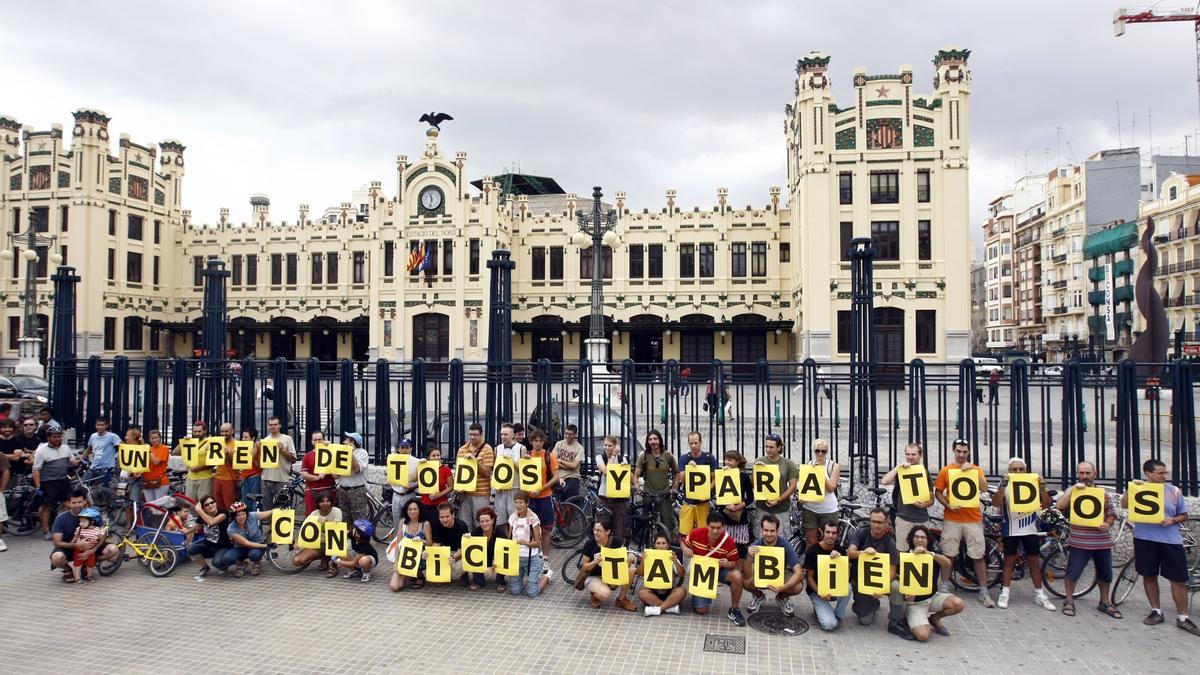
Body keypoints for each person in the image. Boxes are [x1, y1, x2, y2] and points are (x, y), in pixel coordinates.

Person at [1122, 459, 1199, 634]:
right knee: (1149, 575)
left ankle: (1183, 617)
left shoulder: (1174, 491)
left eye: (1165, 473)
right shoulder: (1140, 488)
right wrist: (1131, 488)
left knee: (1178, 579)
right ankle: (1156, 611)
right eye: (1160, 473)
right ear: (1149, 474)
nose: (1164, 476)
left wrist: (1172, 520)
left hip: (1170, 540)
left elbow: (1184, 515)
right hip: (1145, 538)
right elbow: (1124, 505)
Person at [1055, 460, 1120, 619]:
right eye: (1081, 473)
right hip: (1079, 540)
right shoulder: (1074, 491)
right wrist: (1072, 491)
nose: (1084, 476)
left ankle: (1104, 601)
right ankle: (1069, 600)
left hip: (1101, 540)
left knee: (1105, 573)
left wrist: (1107, 524)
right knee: (1073, 571)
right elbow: (1060, 505)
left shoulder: (1103, 494)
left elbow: (1111, 514)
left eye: (1087, 473)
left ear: (1094, 474)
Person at [934, 439, 994, 607]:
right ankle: (944, 588)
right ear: (954, 451)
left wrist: (973, 469)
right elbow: (937, 491)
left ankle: (984, 590)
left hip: (973, 519)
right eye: (958, 451)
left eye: (964, 452)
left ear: (968, 452)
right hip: (952, 519)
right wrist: (947, 504)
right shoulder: (946, 470)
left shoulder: (976, 469)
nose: (961, 454)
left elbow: (984, 488)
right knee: (948, 554)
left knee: (978, 555)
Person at [992, 457, 1056, 611]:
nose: (1018, 472)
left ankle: (1039, 594)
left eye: (1021, 469)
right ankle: (1005, 593)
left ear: (1026, 471)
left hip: (1029, 528)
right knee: (1009, 561)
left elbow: (1046, 504)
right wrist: (1003, 485)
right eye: (1014, 469)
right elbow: (995, 503)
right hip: (1011, 528)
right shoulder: (1006, 485)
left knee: (1034, 562)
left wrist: (1042, 487)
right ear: (1009, 471)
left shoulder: (1032, 483)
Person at [888, 524, 965, 641]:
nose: (919, 539)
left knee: (958, 604)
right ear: (911, 539)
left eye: (923, 537)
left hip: (933, 597)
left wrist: (931, 554)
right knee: (923, 636)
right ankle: (913, 619)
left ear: (928, 540)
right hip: (915, 603)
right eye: (916, 537)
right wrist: (905, 595)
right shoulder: (904, 556)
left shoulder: (932, 555)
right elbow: (898, 581)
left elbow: (947, 563)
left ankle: (934, 618)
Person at [682, 511, 747, 626]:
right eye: (712, 527)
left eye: (718, 528)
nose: (715, 531)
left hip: (719, 571)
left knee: (737, 576)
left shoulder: (728, 541)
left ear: (724, 527)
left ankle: (734, 609)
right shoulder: (696, 533)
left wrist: (727, 564)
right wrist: (685, 549)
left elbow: (734, 562)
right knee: (701, 610)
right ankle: (698, 596)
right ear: (707, 526)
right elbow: (683, 542)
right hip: (701, 574)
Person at [48, 487, 118, 580]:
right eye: (74, 503)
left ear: (85, 501)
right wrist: (77, 544)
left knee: (113, 549)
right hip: (70, 547)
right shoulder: (60, 518)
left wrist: (92, 551)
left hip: (91, 546)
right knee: (56, 558)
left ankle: (87, 564)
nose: (77, 505)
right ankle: (69, 570)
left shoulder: (94, 515)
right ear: (68, 504)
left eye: (79, 502)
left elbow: (102, 535)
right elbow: (57, 542)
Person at [846, 507, 900, 625]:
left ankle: (896, 620)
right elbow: (849, 553)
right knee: (866, 621)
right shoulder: (860, 533)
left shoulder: (890, 541)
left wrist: (882, 588)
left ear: (886, 523)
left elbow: (892, 570)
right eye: (873, 521)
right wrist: (863, 553)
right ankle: (866, 603)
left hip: (879, 580)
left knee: (896, 586)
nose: (876, 525)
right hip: (860, 580)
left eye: (880, 522)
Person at [745, 514, 805, 616]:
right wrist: (750, 557)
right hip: (761, 574)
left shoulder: (785, 545)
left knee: (798, 586)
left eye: (772, 531)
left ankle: (782, 597)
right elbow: (746, 572)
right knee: (743, 579)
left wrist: (783, 587)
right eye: (766, 530)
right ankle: (758, 596)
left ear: (777, 531)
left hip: (780, 574)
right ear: (762, 530)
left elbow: (799, 572)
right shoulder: (756, 544)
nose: (768, 534)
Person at [880, 442, 934, 551]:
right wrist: (898, 467)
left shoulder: (925, 472)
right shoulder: (901, 471)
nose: (910, 457)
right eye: (907, 454)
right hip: (903, 518)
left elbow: (931, 498)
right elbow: (884, 481)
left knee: (922, 551)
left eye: (913, 454)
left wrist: (925, 504)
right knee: (902, 551)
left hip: (921, 518)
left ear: (920, 455)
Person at [34, 424, 81, 540]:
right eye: (54, 437)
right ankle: (45, 531)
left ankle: (59, 525)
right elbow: (36, 470)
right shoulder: (42, 452)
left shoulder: (66, 448)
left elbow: (72, 461)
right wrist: (38, 487)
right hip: (49, 482)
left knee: (68, 504)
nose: (57, 439)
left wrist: (79, 462)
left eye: (59, 436)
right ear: (49, 437)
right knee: (47, 507)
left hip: (63, 480)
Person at [578, 520, 637, 611]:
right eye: (594, 530)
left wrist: (629, 560)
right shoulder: (590, 544)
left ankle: (621, 599)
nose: (595, 533)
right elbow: (584, 566)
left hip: (611, 574)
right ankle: (595, 595)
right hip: (594, 576)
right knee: (605, 594)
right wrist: (594, 562)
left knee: (632, 569)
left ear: (608, 532)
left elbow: (623, 564)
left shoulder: (617, 542)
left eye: (599, 530)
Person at [804, 521, 850, 631]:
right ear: (822, 533)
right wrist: (820, 592)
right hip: (817, 590)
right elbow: (809, 577)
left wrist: (841, 561)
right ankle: (821, 609)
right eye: (828, 532)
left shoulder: (841, 550)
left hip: (834, 587)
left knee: (848, 588)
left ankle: (838, 615)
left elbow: (846, 575)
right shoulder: (812, 550)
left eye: (834, 533)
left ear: (838, 534)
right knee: (829, 625)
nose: (830, 535)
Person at [753, 433, 798, 544]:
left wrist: (778, 500)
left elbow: (793, 486)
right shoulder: (760, 461)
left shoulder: (788, 464)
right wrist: (756, 470)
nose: (768, 450)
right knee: (761, 538)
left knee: (781, 539)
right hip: (762, 507)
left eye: (771, 447)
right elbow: (754, 485)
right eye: (766, 447)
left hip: (781, 508)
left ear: (779, 448)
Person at [523, 429, 560, 563]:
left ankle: (545, 558)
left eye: (540, 441)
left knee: (546, 529)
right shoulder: (527, 455)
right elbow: (518, 471)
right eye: (535, 441)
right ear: (531, 442)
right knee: (530, 529)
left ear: (543, 442)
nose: (538, 444)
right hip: (530, 498)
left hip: (544, 496)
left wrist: (542, 488)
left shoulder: (548, 456)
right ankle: (532, 557)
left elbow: (556, 477)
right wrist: (523, 460)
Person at [507, 492, 551, 597]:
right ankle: (530, 580)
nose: (518, 505)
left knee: (532, 593)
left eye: (521, 502)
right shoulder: (512, 518)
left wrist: (526, 542)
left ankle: (547, 575)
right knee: (515, 591)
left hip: (532, 557)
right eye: (516, 502)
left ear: (527, 503)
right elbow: (510, 539)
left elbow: (537, 543)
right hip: (517, 557)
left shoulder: (533, 519)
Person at [634, 429, 676, 537]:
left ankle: (665, 544)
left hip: (664, 494)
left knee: (667, 523)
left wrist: (674, 488)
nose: (653, 441)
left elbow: (678, 473)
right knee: (646, 522)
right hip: (648, 494)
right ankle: (645, 542)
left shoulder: (668, 456)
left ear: (660, 440)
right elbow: (636, 474)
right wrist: (637, 486)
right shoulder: (644, 456)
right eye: (650, 439)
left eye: (655, 439)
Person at [675, 431, 717, 537]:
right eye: (691, 443)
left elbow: (715, 479)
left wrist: (706, 492)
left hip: (703, 503)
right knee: (684, 533)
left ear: (700, 442)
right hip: (688, 502)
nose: (693, 446)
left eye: (696, 443)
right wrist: (688, 468)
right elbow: (682, 480)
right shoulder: (684, 458)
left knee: (703, 533)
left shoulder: (708, 458)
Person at [801, 438, 840, 548]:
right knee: (810, 542)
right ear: (814, 451)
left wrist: (820, 473)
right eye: (818, 451)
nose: (820, 454)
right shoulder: (809, 464)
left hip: (828, 509)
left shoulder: (833, 466)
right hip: (810, 508)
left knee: (828, 542)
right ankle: (811, 564)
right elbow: (806, 487)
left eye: (824, 451)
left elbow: (832, 487)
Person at [635, 533, 687, 616]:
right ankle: (670, 607)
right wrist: (643, 561)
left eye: (663, 543)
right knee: (642, 593)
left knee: (682, 591)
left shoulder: (672, 556)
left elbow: (681, 574)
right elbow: (640, 573)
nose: (661, 546)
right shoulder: (648, 556)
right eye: (658, 543)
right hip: (653, 591)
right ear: (654, 545)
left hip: (669, 591)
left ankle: (658, 609)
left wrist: (676, 562)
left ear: (668, 545)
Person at [388, 497, 432, 592]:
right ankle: (409, 575)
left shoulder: (425, 524)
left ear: (420, 510)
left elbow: (430, 543)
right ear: (406, 511)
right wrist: (396, 562)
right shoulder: (403, 523)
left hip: (420, 557)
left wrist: (422, 540)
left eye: (415, 509)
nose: (412, 512)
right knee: (394, 587)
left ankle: (419, 576)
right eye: (410, 509)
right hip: (405, 559)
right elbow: (398, 544)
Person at [718, 450, 756, 560]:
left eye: (730, 460)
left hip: (738, 517)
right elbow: (717, 493)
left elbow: (750, 497)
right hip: (724, 515)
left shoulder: (744, 477)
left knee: (740, 549)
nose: (727, 462)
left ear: (737, 462)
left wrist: (738, 506)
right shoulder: (722, 474)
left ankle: (740, 571)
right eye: (726, 459)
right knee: (724, 547)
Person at [291, 491, 343, 571]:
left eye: (327, 501)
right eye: (322, 501)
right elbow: (306, 529)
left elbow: (336, 529)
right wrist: (298, 543)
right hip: (317, 544)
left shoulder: (337, 511)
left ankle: (333, 564)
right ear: (318, 503)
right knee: (297, 561)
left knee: (338, 543)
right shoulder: (314, 513)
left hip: (333, 543)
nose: (325, 503)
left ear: (331, 502)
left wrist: (326, 523)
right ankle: (324, 557)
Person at [219, 501, 271, 577]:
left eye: (243, 514)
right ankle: (241, 563)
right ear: (234, 517)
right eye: (238, 515)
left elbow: (267, 513)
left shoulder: (252, 516)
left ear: (247, 513)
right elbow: (247, 543)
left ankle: (256, 562)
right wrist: (266, 546)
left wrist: (277, 510)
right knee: (227, 559)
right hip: (241, 547)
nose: (241, 517)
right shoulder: (231, 528)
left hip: (257, 544)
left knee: (254, 555)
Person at [456, 423, 494, 525]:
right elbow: (458, 472)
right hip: (465, 493)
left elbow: (487, 473)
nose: (472, 437)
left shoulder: (487, 449)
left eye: (475, 434)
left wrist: (475, 461)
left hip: (480, 494)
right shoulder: (462, 449)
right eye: (470, 434)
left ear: (481, 435)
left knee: (481, 524)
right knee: (465, 524)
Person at [186, 495, 230, 582]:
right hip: (209, 545)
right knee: (191, 548)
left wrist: (200, 511)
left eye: (212, 502)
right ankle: (204, 567)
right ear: (204, 508)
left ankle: (224, 564)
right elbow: (198, 526)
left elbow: (212, 522)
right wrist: (186, 532)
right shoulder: (203, 515)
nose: (210, 505)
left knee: (217, 563)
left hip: (224, 546)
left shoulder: (223, 513)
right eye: (207, 505)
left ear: (216, 503)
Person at [595, 435, 629, 541]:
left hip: (619, 500)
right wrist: (613, 456)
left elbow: (629, 477)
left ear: (615, 446)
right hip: (604, 498)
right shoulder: (600, 458)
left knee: (619, 532)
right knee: (603, 532)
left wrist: (625, 467)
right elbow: (606, 472)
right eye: (605, 445)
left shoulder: (622, 458)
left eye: (610, 445)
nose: (607, 448)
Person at [260, 416, 297, 511]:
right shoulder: (265, 440)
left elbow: (293, 459)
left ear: (279, 425)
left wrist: (282, 451)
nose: (273, 427)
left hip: (282, 478)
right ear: (268, 426)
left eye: (275, 424)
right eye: (271, 425)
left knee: (281, 508)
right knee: (267, 508)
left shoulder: (287, 439)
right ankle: (270, 525)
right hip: (267, 478)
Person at [468, 506, 509, 591]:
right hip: (483, 557)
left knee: (505, 558)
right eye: (482, 521)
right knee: (475, 556)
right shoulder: (476, 532)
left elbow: (503, 553)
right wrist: (467, 538)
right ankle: (478, 581)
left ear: (492, 520)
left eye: (487, 521)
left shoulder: (500, 532)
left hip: (497, 556)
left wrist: (493, 568)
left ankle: (501, 582)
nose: (484, 524)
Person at [429, 502, 470, 586]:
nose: (444, 520)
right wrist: (428, 553)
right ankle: (444, 575)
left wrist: (453, 558)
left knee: (458, 568)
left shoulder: (461, 526)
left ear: (453, 515)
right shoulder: (437, 525)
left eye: (447, 516)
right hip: (445, 551)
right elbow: (436, 544)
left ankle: (464, 574)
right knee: (428, 557)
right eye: (442, 517)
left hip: (459, 552)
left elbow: (462, 549)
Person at [335, 432, 371, 524]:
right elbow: (335, 475)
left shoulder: (362, 453)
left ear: (353, 442)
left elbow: (357, 469)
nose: (344, 441)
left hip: (356, 490)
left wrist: (350, 453)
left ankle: (360, 537)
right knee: (344, 517)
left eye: (347, 439)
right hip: (343, 490)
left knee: (359, 518)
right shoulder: (341, 452)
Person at [173, 421, 214, 502]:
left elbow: (213, 462)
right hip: (191, 478)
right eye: (195, 431)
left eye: (199, 431)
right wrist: (183, 442)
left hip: (205, 478)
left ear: (204, 431)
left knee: (204, 503)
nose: (197, 433)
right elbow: (175, 452)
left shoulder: (210, 442)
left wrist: (198, 468)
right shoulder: (190, 442)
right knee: (189, 503)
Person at [493, 423, 524, 525]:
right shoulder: (497, 449)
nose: (503, 437)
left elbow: (523, 471)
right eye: (501, 434)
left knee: (515, 519)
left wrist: (511, 462)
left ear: (512, 435)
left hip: (515, 488)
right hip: (501, 489)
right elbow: (495, 469)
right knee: (500, 521)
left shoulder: (521, 448)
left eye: (506, 434)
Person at [301, 430, 337, 514]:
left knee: (330, 517)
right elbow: (304, 474)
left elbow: (336, 475)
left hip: (329, 490)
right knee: (312, 517)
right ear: (312, 442)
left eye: (320, 439)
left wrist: (329, 447)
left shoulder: (332, 453)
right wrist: (318, 477)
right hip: (312, 491)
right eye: (315, 440)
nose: (317, 442)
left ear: (324, 440)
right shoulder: (307, 456)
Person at [390, 438, 420, 532]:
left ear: (411, 449)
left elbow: (421, 480)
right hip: (396, 494)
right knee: (396, 522)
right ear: (399, 449)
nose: (404, 450)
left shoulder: (417, 461)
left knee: (410, 521)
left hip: (409, 495)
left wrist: (412, 487)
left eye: (407, 448)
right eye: (402, 448)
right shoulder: (393, 459)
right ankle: (397, 542)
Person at [82, 416, 121, 487]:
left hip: (106, 469)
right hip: (93, 467)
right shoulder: (93, 436)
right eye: (98, 425)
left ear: (107, 425)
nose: (100, 427)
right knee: (82, 486)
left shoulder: (112, 436)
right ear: (95, 426)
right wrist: (80, 459)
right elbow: (88, 449)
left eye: (102, 425)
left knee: (101, 491)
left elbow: (121, 448)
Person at [68, 507, 105, 583]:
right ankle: (77, 578)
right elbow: (75, 537)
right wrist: (72, 543)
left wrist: (102, 533)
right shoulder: (79, 529)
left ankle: (89, 576)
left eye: (84, 522)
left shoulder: (97, 530)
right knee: (78, 564)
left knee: (90, 564)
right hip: (79, 550)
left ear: (92, 522)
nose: (81, 523)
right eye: (80, 521)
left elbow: (101, 538)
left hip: (90, 550)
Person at [418, 444, 453, 524]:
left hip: (440, 505)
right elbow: (413, 478)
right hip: (425, 504)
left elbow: (451, 487)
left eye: (438, 455)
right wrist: (419, 465)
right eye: (433, 455)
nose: (437, 457)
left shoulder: (445, 469)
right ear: (428, 457)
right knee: (426, 528)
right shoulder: (423, 467)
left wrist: (438, 495)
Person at [119, 426, 145, 526]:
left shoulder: (141, 448)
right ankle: (128, 523)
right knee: (125, 503)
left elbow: (143, 463)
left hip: (135, 478)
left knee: (134, 502)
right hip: (124, 476)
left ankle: (136, 523)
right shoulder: (125, 447)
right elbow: (120, 462)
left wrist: (137, 472)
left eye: (127, 435)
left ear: (134, 437)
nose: (125, 437)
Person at [551, 423, 584, 500]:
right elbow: (553, 461)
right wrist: (568, 465)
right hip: (558, 476)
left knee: (571, 502)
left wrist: (560, 461)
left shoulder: (579, 448)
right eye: (566, 433)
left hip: (572, 476)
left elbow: (574, 466)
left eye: (570, 434)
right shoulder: (559, 444)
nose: (567, 436)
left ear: (575, 434)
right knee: (558, 501)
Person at [212, 423, 239, 510]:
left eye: (226, 431)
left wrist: (227, 454)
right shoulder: (217, 443)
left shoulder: (237, 444)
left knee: (229, 505)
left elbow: (236, 464)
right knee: (218, 504)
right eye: (222, 431)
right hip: (218, 477)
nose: (224, 433)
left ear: (232, 431)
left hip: (230, 479)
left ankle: (231, 523)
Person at [140, 430, 172, 503]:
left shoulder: (164, 448)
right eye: (152, 438)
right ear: (150, 439)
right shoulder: (149, 449)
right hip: (147, 480)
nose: (154, 440)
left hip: (160, 481)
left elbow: (156, 462)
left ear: (160, 438)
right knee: (150, 505)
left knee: (158, 505)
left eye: (156, 438)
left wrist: (149, 451)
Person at [239, 427, 263, 511]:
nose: (243, 439)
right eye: (242, 437)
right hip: (244, 478)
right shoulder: (241, 447)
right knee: (245, 502)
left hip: (254, 477)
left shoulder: (258, 448)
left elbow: (259, 466)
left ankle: (255, 522)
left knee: (254, 502)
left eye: (246, 437)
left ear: (253, 438)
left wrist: (254, 455)